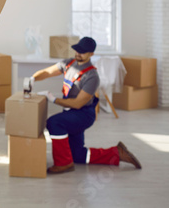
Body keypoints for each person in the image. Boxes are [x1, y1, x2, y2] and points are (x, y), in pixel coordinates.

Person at [30, 37, 142, 174]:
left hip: (83, 115)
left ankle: (64, 163)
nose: (78, 53)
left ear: (91, 54)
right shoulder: (68, 63)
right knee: (77, 155)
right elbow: (47, 72)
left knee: (54, 123)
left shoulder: (92, 76)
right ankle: (117, 153)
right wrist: (32, 78)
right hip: (69, 113)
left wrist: (53, 99)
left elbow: (78, 103)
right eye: (77, 50)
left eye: (82, 52)